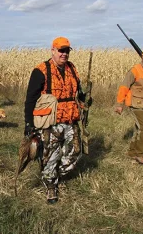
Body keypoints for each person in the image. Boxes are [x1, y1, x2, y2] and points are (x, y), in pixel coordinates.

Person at [24, 37, 88, 204]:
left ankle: (54, 173)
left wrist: (83, 99)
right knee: (50, 155)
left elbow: (78, 91)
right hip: (49, 122)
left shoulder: (72, 68)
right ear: (52, 50)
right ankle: (51, 185)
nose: (64, 53)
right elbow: (30, 99)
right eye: (61, 50)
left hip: (71, 119)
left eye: (67, 50)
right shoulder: (40, 70)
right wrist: (29, 124)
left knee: (75, 151)